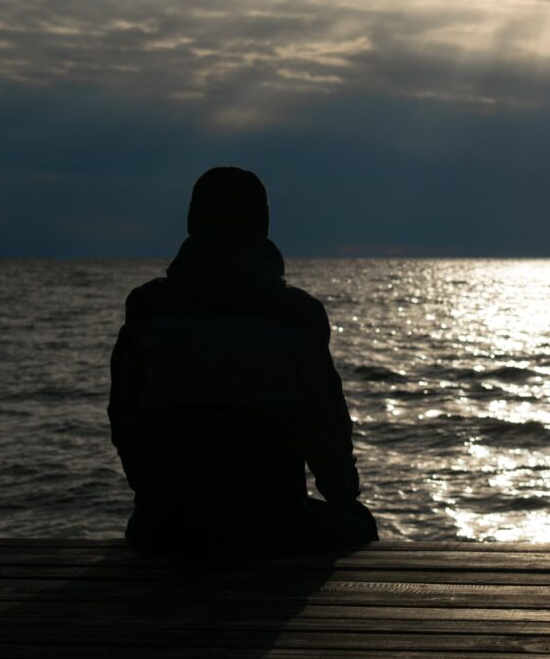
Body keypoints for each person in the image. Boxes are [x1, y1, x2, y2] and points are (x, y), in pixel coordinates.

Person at [108, 166, 377, 552]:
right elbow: (326, 425)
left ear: (192, 222)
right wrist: (343, 496)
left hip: (167, 528)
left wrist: (153, 495)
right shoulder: (298, 316)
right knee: (357, 526)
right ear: (263, 224)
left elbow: (124, 417)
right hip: (274, 526)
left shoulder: (147, 310)